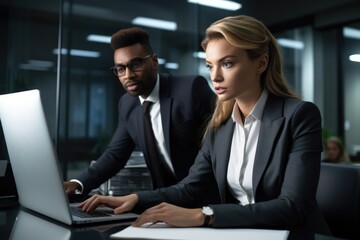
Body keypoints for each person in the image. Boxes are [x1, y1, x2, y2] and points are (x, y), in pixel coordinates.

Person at [79, 15, 331, 238]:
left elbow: (294, 206)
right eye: (211, 65)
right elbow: (191, 187)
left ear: (261, 63)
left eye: (228, 63)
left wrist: (205, 215)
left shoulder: (299, 115)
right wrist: (135, 199)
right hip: (239, 234)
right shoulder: (220, 125)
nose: (215, 76)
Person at [64, 27, 215, 195]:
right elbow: (115, 154)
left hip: (207, 196)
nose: (128, 75)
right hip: (166, 200)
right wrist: (77, 183)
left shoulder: (190, 89)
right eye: (120, 69)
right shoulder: (127, 104)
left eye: (135, 64)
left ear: (154, 62)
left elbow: (220, 143)